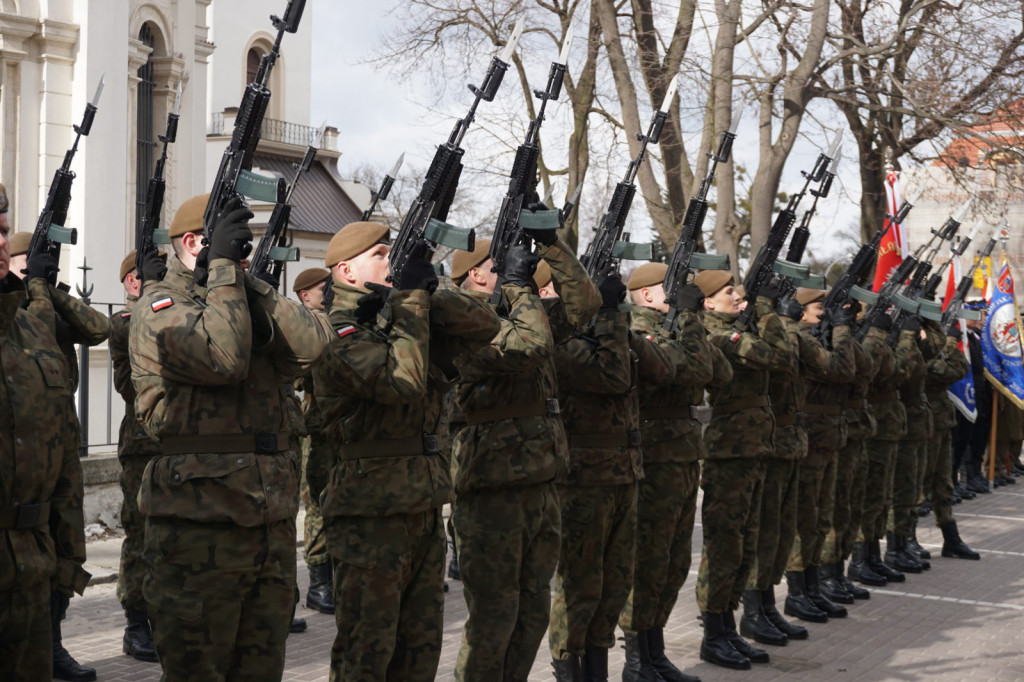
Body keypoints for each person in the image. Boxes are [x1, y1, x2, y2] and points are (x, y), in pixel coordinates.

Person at [129, 193, 329, 681]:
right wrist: (220, 269)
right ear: (195, 242)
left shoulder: (239, 295)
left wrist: (246, 279)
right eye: (230, 241)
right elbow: (223, 358)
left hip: (269, 525)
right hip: (199, 530)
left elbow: (313, 346)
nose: (240, 251)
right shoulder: (159, 305)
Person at [312, 222, 500, 680]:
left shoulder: (400, 315)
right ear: (346, 271)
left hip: (421, 507)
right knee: (367, 654)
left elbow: (486, 324)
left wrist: (427, 288)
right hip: (368, 516)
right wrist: (411, 301)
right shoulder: (335, 333)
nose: (389, 263)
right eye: (380, 254)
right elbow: (404, 382)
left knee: (419, 652)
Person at [450, 229, 600, 681]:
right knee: (495, 618)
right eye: (503, 264)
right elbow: (529, 344)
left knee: (532, 613)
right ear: (479, 273)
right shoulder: (460, 320)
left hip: (541, 479)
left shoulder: (522, 310)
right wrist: (517, 286)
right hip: (492, 485)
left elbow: (585, 307)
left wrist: (551, 245)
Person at [546, 262, 675, 682]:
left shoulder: (614, 334)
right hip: (583, 480)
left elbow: (664, 370)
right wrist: (608, 324)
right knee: (580, 587)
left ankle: (598, 673)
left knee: (614, 586)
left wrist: (619, 321)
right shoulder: (562, 343)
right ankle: (570, 670)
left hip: (624, 476)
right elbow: (616, 376)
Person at [10, 185, 108, 682]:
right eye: (27, 262)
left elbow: (98, 329)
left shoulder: (46, 295)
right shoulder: (17, 307)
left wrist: (47, 287)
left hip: (61, 440)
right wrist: (31, 290)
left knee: (66, 550)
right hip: (25, 446)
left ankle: (53, 642)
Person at [619, 262, 726, 682]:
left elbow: (720, 371)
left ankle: (655, 651)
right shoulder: (637, 331)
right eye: (672, 291)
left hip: (680, 459)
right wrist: (688, 321)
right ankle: (635, 660)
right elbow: (692, 369)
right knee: (646, 562)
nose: (681, 297)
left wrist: (690, 321)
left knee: (673, 564)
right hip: (653, 461)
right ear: (647, 295)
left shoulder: (677, 330)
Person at [695, 271, 794, 670]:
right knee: (724, 548)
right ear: (707, 303)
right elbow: (782, 357)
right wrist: (768, 311)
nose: (738, 296)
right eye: (728, 292)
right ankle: (712, 633)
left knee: (745, 545)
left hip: (753, 451)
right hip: (729, 454)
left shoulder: (739, 330)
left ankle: (728, 628)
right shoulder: (718, 335)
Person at [783, 289, 856, 623]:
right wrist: (841, 331)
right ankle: (798, 592)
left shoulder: (816, 338)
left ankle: (813, 587)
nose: (824, 313)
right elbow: (842, 370)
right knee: (805, 520)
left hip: (828, 436)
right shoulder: (800, 340)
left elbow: (860, 369)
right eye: (818, 307)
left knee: (821, 518)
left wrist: (841, 330)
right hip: (811, 436)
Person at [109, 250, 161, 663]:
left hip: (177, 444)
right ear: (132, 282)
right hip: (142, 447)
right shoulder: (124, 324)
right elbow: (130, 387)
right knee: (141, 536)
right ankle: (136, 622)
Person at [849, 315, 917, 586]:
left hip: (885, 425)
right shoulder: (866, 341)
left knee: (881, 497)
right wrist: (904, 338)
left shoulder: (872, 341)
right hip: (875, 426)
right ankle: (859, 560)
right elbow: (898, 370)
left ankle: (873, 556)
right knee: (869, 498)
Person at [291, 267, 335, 615]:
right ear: (306, 295)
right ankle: (319, 584)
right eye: (324, 289)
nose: (330, 293)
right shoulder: (303, 327)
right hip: (319, 431)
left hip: (344, 429)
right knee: (318, 505)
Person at [920, 319, 980, 560]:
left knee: (943, 482)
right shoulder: (910, 343)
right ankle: (904, 542)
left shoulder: (931, 344)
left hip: (940, 421)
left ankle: (951, 538)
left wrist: (947, 341)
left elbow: (961, 368)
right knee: (915, 484)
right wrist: (951, 341)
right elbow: (938, 370)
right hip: (919, 422)